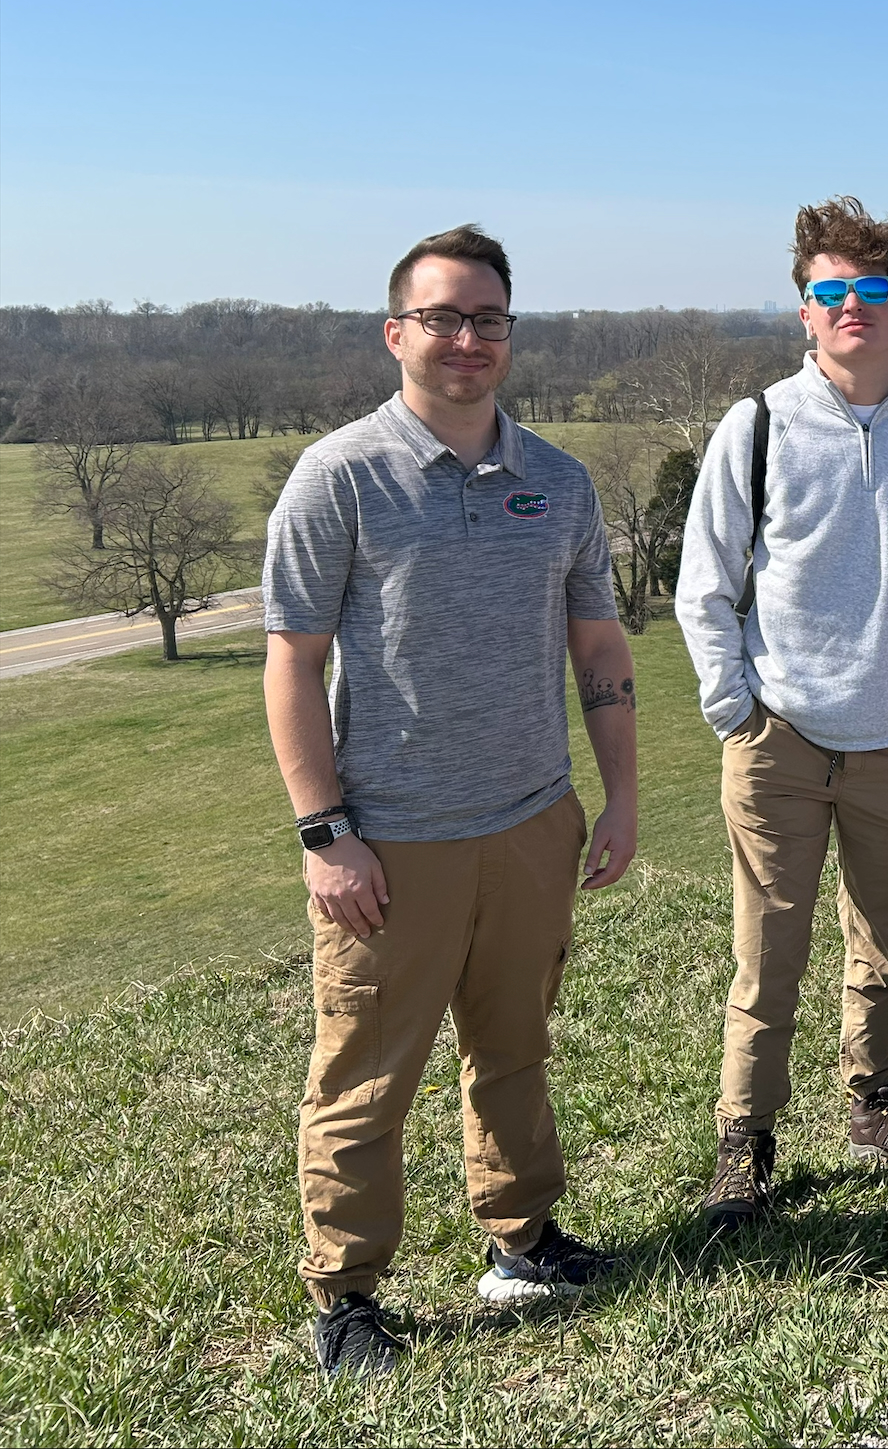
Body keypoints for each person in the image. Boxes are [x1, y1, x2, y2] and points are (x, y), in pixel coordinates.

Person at [263, 224, 639, 1381]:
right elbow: (289, 661)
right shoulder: (341, 476)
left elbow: (598, 645)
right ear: (398, 333)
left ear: (509, 337)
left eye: (487, 319)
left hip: (531, 820)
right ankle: (348, 1295)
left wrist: (617, 793)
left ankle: (520, 1233)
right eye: (442, 318)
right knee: (366, 1073)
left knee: (514, 1046)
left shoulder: (558, 481)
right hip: (393, 839)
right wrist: (327, 835)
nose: (467, 339)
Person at [676, 197, 888, 1229]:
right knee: (768, 952)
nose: (851, 306)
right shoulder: (759, 426)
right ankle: (745, 1143)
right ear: (803, 311)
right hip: (779, 736)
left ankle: (875, 1105)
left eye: (870, 289)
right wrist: (735, 709)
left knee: (883, 941)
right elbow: (704, 584)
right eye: (830, 291)